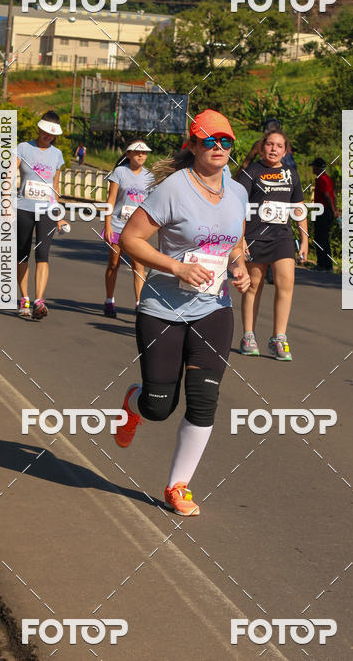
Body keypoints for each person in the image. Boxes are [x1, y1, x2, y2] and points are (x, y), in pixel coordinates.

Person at [113, 109, 250, 517]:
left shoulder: (238, 191)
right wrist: (176, 267)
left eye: (226, 141)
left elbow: (236, 241)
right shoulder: (173, 189)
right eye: (210, 141)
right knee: (159, 405)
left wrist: (239, 266)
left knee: (204, 399)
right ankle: (133, 406)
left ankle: (178, 486)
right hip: (163, 308)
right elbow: (129, 239)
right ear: (193, 145)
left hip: (214, 307)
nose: (219, 148)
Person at [236, 127, 308, 360]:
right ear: (262, 147)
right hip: (254, 236)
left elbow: (298, 207)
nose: (274, 149)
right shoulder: (251, 172)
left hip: (282, 237)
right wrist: (241, 238)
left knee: (286, 282)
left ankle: (279, 337)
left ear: (285, 151)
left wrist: (304, 238)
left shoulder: (291, 174)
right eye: (270, 144)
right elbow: (238, 208)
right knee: (253, 285)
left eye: (279, 146)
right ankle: (248, 335)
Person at [16, 111, 65, 320]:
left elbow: (55, 186)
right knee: (23, 255)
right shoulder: (23, 148)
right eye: (46, 132)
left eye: (52, 134)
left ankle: (39, 301)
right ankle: (24, 298)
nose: (48, 136)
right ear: (39, 128)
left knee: (43, 254)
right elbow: (9, 175)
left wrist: (59, 213)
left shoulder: (57, 154)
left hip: (47, 210)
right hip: (23, 208)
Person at [103, 141, 154, 317]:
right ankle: (109, 300)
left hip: (137, 230)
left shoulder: (149, 177)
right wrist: (107, 224)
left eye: (145, 153)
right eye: (137, 152)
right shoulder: (120, 172)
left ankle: (140, 304)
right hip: (117, 226)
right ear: (129, 154)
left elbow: (151, 204)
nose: (141, 156)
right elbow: (111, 199)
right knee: (113, 264)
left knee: (138, 266)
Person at [312, 157, 337, 271]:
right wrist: (335, 209)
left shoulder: (321, 179)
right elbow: (333, 195)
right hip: (327, 210)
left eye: (313, 166)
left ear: (317, 167)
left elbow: (327, 195)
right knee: (324, 238)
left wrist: (332, 209)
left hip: (322, 210)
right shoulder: (327, 178)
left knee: (319, 238)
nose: (312, 168)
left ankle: (322, 264)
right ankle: (327, 264)